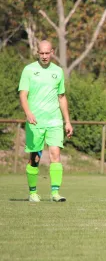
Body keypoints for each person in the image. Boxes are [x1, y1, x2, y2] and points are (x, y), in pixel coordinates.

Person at [19, 40, 73, 202]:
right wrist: (28, 113)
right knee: (34, 158)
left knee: (55, 154)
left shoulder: (58, 71)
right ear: (37, 53)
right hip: (35, 121)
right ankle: (33, 192)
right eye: (41, 53)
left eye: (47, 53)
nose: (44, 56)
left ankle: (55, 193)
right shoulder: (29, 70)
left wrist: (67, 121)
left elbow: (62, 97)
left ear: (52, 52)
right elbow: (23, 94)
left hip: (54, 120)